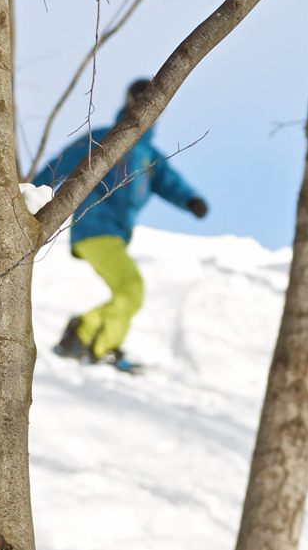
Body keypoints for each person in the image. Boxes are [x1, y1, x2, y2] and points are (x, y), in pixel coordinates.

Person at [31, 78, 208, 371]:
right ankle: (88, 338)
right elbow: (61, 163)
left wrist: (190, 200)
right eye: (139, 103)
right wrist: (30, 193)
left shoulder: (149, 154)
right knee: (131, 288)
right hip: (94, 228)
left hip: (114, 234)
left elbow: (169, 182)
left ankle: (94, 340)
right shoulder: (104, 139)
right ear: (129, 103)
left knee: (129, 290)